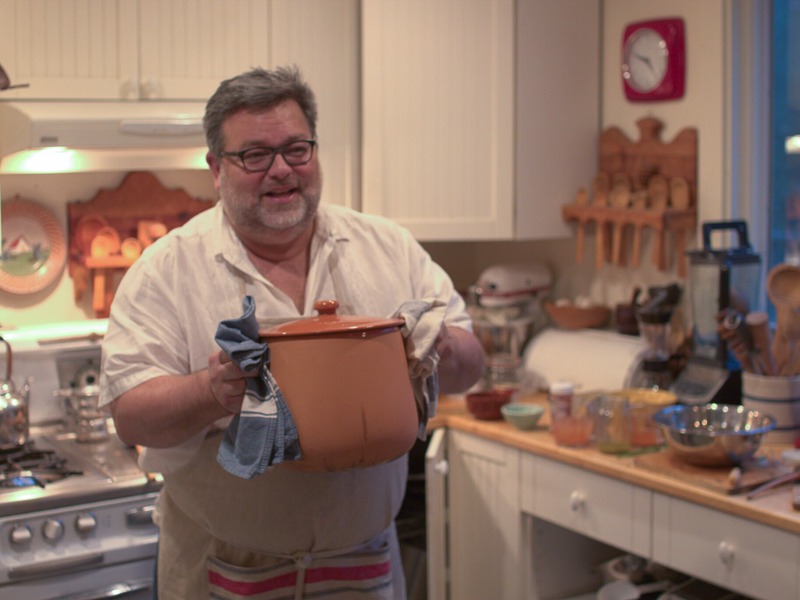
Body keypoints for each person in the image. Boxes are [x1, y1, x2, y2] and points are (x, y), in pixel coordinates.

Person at [99, 65, 485, 600]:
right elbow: (129, 412)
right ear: (216, 168)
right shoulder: (167, 269)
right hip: (221, 567)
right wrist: (209, 391)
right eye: (254, 155)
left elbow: (472, 368)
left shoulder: (387, 247)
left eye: (297, 149)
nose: (281, 170)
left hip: (363, 564)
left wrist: (440, 343)